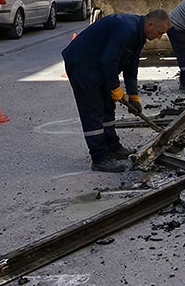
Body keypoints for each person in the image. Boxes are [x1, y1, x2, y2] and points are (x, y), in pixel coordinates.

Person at [63, 10, 170, 172]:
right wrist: (115, 88)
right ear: (150, 24)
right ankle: (99, 159)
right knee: (93, 111)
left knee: (108, 106)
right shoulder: (126, 27)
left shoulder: (140, 35)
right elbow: (110, 59)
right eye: (160, 32)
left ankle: (113, 148)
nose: (159, 37)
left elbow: (131, 65)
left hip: (98, 66)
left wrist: (133, 96)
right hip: (82, 64)